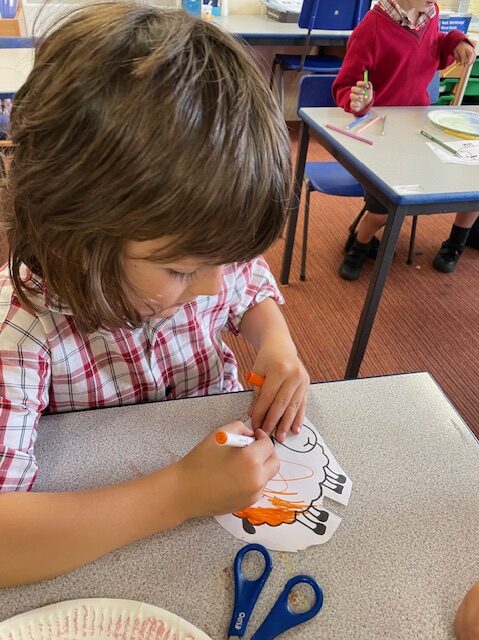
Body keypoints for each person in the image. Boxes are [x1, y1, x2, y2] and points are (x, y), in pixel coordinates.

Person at [0, 3, 310, 587]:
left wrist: (276, 343)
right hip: (99, 539)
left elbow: (247, 283)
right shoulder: (20, 332)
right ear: (74, 238)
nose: (214, 286)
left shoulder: (198, 256)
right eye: (179, 270)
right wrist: (179, 494)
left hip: (213, 518)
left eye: (220, 260)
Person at [332, 0, 478, 280]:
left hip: (419, 123)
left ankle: (456, 243)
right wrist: (358, 100)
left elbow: (434, 48)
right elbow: (345, 86)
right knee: (386, 206)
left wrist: (455, 41)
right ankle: (359, 245)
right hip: (381, 130)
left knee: (471, 175)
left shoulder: (429, 13)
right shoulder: (371, 28)